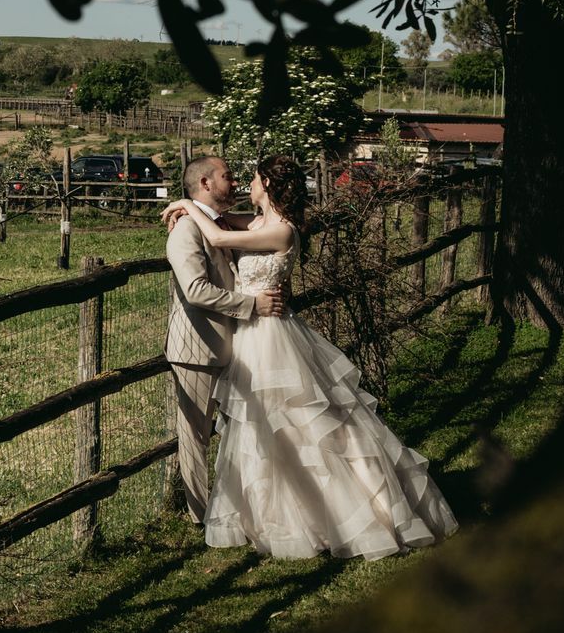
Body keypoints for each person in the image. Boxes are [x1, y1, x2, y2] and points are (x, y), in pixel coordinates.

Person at [164, 153, 458, 559]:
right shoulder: (255, 222)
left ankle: (344, 509)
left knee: (302, 422)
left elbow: (215, 238)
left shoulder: (282, 230)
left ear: (267, 185)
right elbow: (215, 226)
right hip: (252, 334)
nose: (243, 184)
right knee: (262, 430)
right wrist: (189, 207)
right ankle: (273, 512)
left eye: (250, 178)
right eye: (235, 176)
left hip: (270, 335)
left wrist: (183, 206)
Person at [164, 154, 285, 523]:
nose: (234, 183)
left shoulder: (221, 223)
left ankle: (243, 505)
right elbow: (196, 290)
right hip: (197, 348)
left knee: (244, 430)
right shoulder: (186, 229)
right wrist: (251, 305)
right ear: (205, 183)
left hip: (238, 344)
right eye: (227, 177)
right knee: (195, 438)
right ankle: (201, 517)